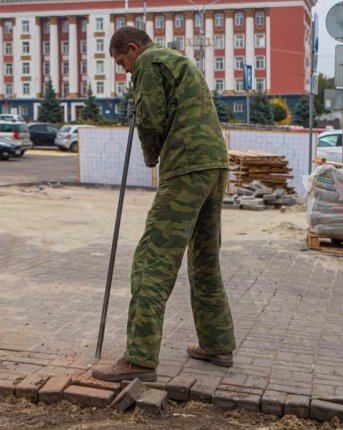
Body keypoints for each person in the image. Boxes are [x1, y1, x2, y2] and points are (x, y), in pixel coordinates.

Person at [91, 26, 236, 382]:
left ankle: (139, 359)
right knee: (204, 257)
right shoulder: (177, 60)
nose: (125, 69)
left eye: (122, 61)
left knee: (152, 259)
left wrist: (151, 154)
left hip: (185, 165)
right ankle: (217, 344)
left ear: (132, 48)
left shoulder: (148, 63)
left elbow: (151, 118)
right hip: (214, 164)